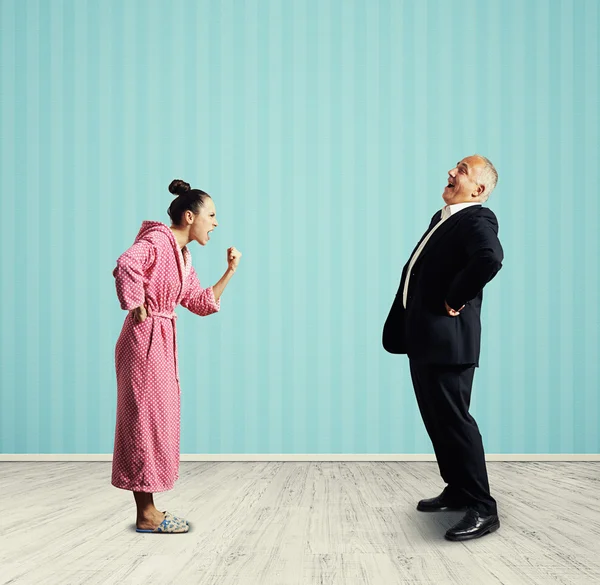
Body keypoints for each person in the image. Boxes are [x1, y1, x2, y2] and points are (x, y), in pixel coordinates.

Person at [383, 155, 503, 541]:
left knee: (455, 422)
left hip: (448, 342)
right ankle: (457, 488)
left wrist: (457, 296)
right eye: (454, 167)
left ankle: (483, 508)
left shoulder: (477, 218)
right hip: (424, 339)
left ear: (479, 189)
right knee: (437, 421)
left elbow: (490, 258)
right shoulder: (444, 218)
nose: (452, 172)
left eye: (462, 171)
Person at [111, 179, 242, 534]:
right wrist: (136, 302)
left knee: (157, 418)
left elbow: (200, 302)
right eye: (211, 215)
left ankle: (148, 507)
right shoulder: (156, 241)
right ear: (189, 216)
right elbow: (126, 265)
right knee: (144, 419)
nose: (215, 223)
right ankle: (146, 514)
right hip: (144, 338)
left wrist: (229, 271)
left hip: (162, 338)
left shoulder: (182, 256)